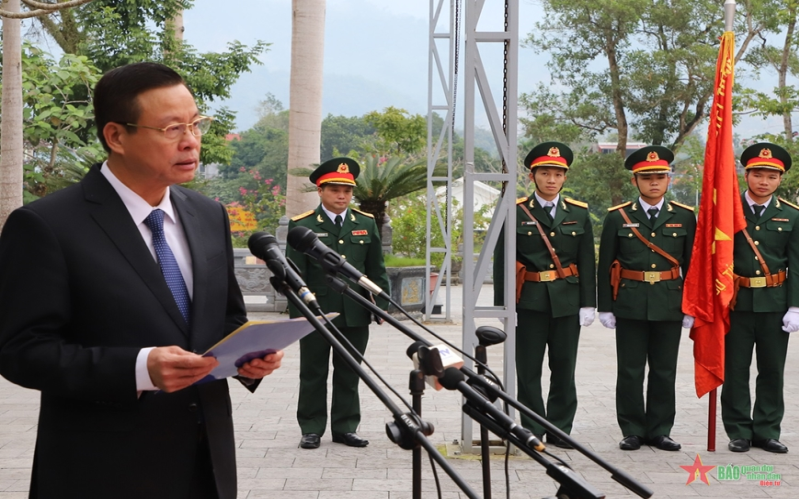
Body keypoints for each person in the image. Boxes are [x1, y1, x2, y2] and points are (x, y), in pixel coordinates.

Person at [0, 62, 283, 499]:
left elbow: (225, 320)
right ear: (116, 136)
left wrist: (249, 358)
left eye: (195, 123)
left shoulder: (207, 215)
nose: (191, 141)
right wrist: (138, 369)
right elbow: (21, 352)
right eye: (172, 128)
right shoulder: (46, 225)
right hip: (102, 472)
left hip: (206, 465)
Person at [493, 142, 596, 449]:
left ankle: (561, 427)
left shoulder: (578, 214)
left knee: (564, 366)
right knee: (528, 369)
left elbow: (587, 261)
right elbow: (502, 261)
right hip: (530, 301)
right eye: (545, 173)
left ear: (565, 178)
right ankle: (534, 427)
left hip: (567, 301)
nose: (551, 179)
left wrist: (588, 303)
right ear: (533, 176)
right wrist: (504, 304)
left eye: (557, 174)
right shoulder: (515, 211)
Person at [287, 157, 390, 450]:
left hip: (355, 310)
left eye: (346, 191)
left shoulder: (365, 223)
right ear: (320, 191)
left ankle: (345, 427)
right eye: (334, 190)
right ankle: (311, 428)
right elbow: (293, 276)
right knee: (313, 372)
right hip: (316, 312)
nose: (342, 196)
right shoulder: (302, 225)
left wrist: (381, 304)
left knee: (350, 371)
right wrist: (301, 317)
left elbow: (376, 269)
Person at [597, 145, 696, 451]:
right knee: (630, 370)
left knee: (665, 370)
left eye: (659, 177)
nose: (654, 182)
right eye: (646, 177)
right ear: (634, 182)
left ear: (669, 180)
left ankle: (660, 429)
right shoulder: (618, 217)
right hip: (630, 301)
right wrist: (605, 307)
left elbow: (692, 266)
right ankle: (631, 429)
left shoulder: (684, 216)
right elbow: (605, 265)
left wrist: (692, 306)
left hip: (669, 301)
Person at [722, 142, 799, 454]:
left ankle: (767, 430)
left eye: (771, 176)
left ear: (780, 180)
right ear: (746, 175)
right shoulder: (726, 211)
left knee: (771, 369)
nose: (763, 181)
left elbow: (797, 263)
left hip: (774, 303)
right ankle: (738, 430)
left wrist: (795, 305)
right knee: (735, 370)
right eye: (758, 174)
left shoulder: (791, 216)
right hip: (735, 302)